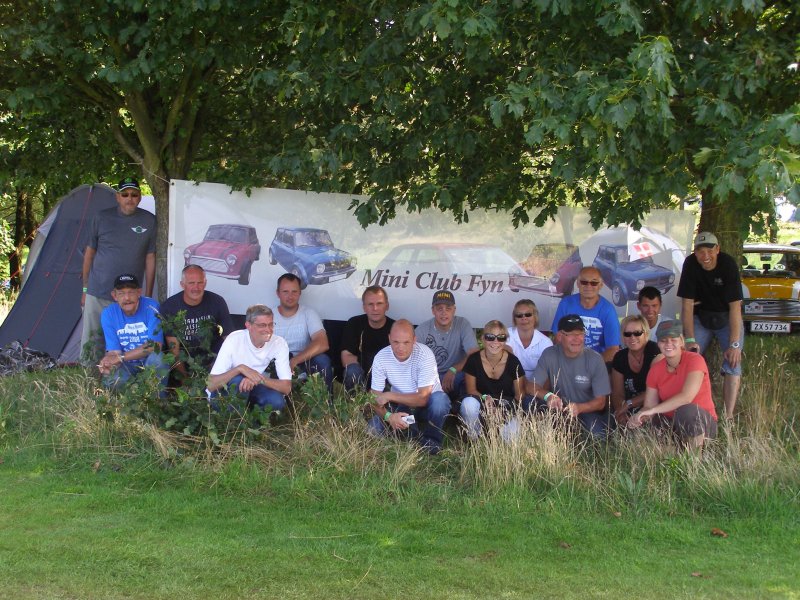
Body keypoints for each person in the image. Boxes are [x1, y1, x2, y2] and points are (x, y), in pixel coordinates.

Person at [81, 177, 156, 363]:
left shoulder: (149, 220)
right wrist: (85, 289)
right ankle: (88, 375)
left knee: (125, 340)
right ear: (117, 197)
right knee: (92, 340)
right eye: (125, 194)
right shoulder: (101, 218)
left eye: (134, 194)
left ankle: (119, 375)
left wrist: (147, 294)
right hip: (98, 291)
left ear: (140, 197)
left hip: (129, 296)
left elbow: (150, 257)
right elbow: (89, 254)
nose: (129, 198)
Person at [677, 232, 743, 419]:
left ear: (717, 249)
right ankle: (690, 407)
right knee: (688, 357)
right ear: (695, 253)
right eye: (700, 251)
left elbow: (735, 307)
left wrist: (735, 344)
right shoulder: (690, 264)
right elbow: (687, 305)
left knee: (733, 361)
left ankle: (728, 416)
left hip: (726, 317)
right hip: (701, 317)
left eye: (709, 250)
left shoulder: (728, 264)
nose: (705, 255)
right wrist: (689, 339)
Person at [628, 320, 718, 449]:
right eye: (663, 340)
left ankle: (695, 457)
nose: (668, 344)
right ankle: (670, 454)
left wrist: (653, 410)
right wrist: (639, 417)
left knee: (686, 411)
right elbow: (649, 405)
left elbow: (686, 397)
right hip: (672, 423)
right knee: (651, 421)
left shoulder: (695, 360)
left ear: (681, 341)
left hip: (702, 424)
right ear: (658, 343)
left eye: (673, 339)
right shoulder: (656, 369)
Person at [367, 320, 452, 455]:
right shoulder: (381, 357)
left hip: (427, 406)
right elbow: (373, 397)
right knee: (373, 428)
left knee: (440, 401)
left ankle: (431, 441)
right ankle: (409, 429)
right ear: (389, 339)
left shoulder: (425, 354)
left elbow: (423, 398)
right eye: (396, 342)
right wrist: (389, 416)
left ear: (414, 340)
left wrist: (389, 395)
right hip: (402, 405)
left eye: (406, 342)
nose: (401, 348)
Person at [527, 314, 611, 439]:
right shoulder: (549, 354)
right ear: (560, 336)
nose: (576, 339)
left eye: (580, 333)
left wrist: (579, 408)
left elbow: (601, 402)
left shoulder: (595, 359)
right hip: (559, 409)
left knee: (598, 437)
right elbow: (531, 386)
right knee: (528, 402)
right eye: (571, 334)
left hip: (587, 411)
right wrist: (548, 396)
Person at [207, 304, 291, 412]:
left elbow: (286, 387)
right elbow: (211, 385)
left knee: (276, 401)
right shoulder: (234, 339)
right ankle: (234, 419)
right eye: (262, 325)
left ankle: (251, 418)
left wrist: (258, 379)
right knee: (239, 380)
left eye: (271, 324)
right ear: (248, 326)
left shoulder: (279, 343)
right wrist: (240, 369)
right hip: (223, 392)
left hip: (253, 386)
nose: (268, 330)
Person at [160, 265, 234, 379]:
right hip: (185, 364)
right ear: (182, 284)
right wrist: (185, 381)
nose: (196, 287)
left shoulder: (217, 302)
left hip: (215, 362)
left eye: (200, 283)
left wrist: (216, 372)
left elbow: (229, 339)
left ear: (205, 283)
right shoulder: (170, 307)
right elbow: (174, 350)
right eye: (191, 283)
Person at [97, 273, 168, 392]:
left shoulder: (151, 306)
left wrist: (120, 357)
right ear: (114, 296)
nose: (127, 298)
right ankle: (133, 399)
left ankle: (157, 398)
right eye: (121, 293)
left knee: (158, 359)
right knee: (111, 378)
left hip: (149, 362)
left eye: (131, 292)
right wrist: (108, 362)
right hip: (126, 366)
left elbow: (155, 346)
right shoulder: (108, 313)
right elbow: (114, 351)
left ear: (139, 292)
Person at [460, 320, 526, 440]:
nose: (495, 342)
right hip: (481, 404)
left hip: (505, 407)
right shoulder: (473, 360)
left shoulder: (513, 362)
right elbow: (471, 390)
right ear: (483, 339)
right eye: (490, 337)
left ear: (505, 340)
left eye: (501, 337)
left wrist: (504, 411)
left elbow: (519, 395)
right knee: (468, 403)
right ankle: (474, 438)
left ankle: (496, 436)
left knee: (512, 437)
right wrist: (485, 398)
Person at [272, 273, 332, 390]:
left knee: (322, 360)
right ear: (278, 293)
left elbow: (322, 343)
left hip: (303, 364)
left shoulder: (309, 313)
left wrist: (295, 360)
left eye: (294, 291)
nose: (290, 296)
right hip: (276, 365)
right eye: (285, 292)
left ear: (300, 293)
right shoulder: (269, 315)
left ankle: (325, 400)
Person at [415, 290, 479, 398]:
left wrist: (453, 369)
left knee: (470, 374)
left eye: (448, 308)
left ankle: (464, 403)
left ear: (454, 310)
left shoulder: (462, 324)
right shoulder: (422, 330)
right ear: (433, 310)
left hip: (456, 375)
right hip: (431, 378)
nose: (444, 313)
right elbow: (411, 359)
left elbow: (474, 354)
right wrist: (432, 378)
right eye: (439, 309)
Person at [551, 266, 621, 362]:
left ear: (601, 285)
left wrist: (589, 366)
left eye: (594, 283)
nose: (588, 286)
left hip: (597, 363)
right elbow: (558, 339)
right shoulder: (566, 304)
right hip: (568, 361)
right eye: (584, 282)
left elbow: (613, 349)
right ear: (578, 284)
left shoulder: (608, 310)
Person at [340, 286, 394, 391]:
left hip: (385, 376)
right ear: (364, 307)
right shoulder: (353, 323)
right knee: (352, 371)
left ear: (387, 306)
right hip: (361, 374)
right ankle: (356, 401)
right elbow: (346, 357)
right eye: (370, 304)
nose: (375, 308)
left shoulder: (395, 328)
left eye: (379, 303)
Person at [610, 315, 660, 427]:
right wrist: (621, 412)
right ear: (623, 337)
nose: (632, 337)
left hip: (654, 405)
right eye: (627, 334)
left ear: (646, 334)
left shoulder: (655, 351)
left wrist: (628, 404)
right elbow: (617, 393)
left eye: (637, 333)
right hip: (630, 407)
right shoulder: (619, 357)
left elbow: (657, 391)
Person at [506, 299, 552, 379]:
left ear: (535, 316)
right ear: (514, 318)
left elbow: (548, 373)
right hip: (509, 380)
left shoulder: (546, 342)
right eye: (519, 315)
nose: (524, 318)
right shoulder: (504, 335)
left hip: (536, 383)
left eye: (528, 314)